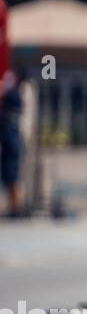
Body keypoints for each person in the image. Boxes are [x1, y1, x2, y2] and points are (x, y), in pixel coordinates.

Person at [1, 66, 26, 218]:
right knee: (10, 177)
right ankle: (14, 207)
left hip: (12, 144)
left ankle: (17, 208)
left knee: (13, 177)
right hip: (10, 144)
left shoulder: (14, 95)